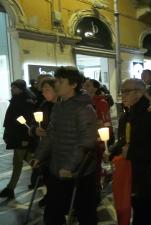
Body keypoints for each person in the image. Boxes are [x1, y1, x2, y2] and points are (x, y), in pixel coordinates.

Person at [32, 66, 98, 225]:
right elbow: (51, 135)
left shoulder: (84, 108)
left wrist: (69, 166)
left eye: (60, 81)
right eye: (56, 81)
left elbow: (86, 141)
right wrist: (38, 156)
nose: (56, 85)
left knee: (85, 213)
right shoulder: (58, 106)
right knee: (53, 212)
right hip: (57, 167)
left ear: (73, 84)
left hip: (79, 171)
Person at [110, 78, 151, 225]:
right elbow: (126, 139)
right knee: (139, 210)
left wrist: (131, 153)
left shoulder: (150, 114)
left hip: (147, 175)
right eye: (121, 91)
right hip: (135, 172)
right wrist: (112, 150)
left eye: (126, 91)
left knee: (145, 214)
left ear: (139, 92)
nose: (122, 95)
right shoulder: (130, 113)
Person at [0, 79, 36, 199]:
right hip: (17, 135)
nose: (12, 89)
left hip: (22, 136)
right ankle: (44, 173)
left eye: (14, 88)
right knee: (26, 158)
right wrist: (7, 135)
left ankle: (10, 188)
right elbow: (11, 119)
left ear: (21, 88)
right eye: (12, 87)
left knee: (18, 161)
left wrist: (26, 137)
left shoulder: (26, 101)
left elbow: (27, 121)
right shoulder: (19, 99)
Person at [31, 77, 58, 207]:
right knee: (48, 177)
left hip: (60, 150)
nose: (43, 92)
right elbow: (33, 124)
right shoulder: (44, 105)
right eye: (43, 90)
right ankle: (50, 196)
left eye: (47, 89)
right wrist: (35, 130)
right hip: (47, 151)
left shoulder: (65, 107)